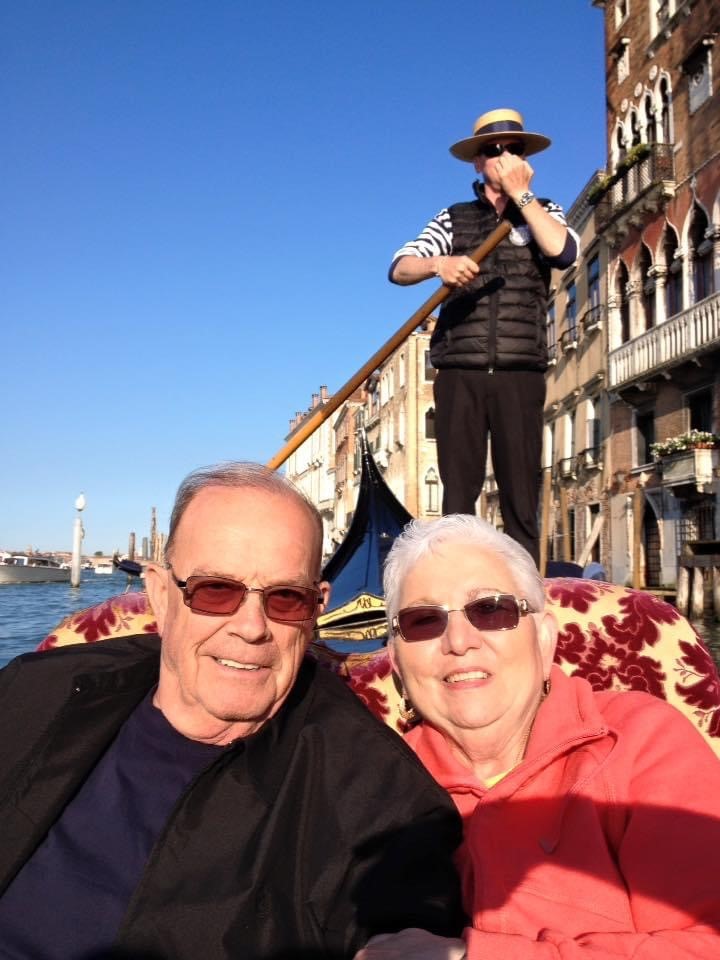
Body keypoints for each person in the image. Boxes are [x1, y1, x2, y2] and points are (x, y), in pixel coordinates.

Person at [0, 463, 465, 960]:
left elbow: (406, 910)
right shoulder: (37, 685)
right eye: (216, 590)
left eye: (286, 598)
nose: (251, 628)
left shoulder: (374, 788)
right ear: (160, 593)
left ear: (317, 610)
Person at [357, 514, 720, 960]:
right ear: (396, 659)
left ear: (544, 638)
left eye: (490, 609)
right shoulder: (375, 787)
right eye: (423, 620)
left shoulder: (641, 741)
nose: (459, 641)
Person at [389, 108, 579, 564]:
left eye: (513, 148)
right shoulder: (453, 219)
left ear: (525, 157)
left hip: (520, 370)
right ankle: (459, 583)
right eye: (493, 150)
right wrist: (440, 265)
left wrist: (522, 196)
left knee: (520, 493)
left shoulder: (543, 212)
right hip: (459, 370)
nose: (504, 156)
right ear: (478, 161)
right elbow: (399, 267)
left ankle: (528, 595)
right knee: (459, 494)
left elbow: (565, 251)